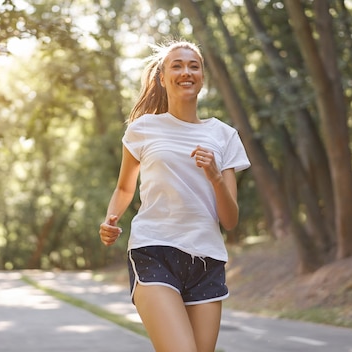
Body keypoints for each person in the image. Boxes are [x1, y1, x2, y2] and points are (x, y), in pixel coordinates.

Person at [99, 40, 250, 352]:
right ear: (163, 77)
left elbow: (231, 220)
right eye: (177, 65)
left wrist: (215, 177)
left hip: (207, 260)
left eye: (194, 66)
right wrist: (111, 218)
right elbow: (125, 187)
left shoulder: (224, 136)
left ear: (202, 77)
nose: (186, 71)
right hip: (154, 250)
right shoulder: (143, 129)